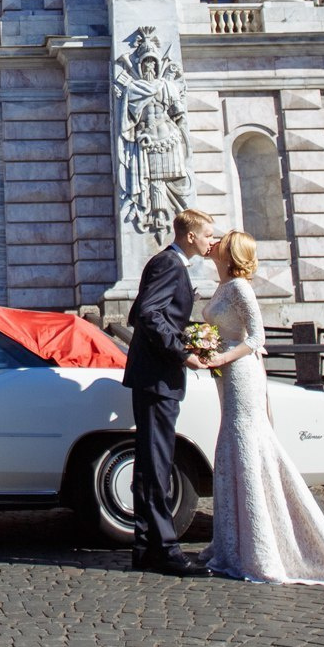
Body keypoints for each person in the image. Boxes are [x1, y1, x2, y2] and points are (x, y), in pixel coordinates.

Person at [192, 231, 324, 587]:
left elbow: (257, 338)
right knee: (234, 445)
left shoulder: (240, 288)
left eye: (221, 238)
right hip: (226, 374)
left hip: (242, 373)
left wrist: (222, 356)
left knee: (247, 443)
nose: (213, 240)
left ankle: (260, 548)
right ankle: (234, 545)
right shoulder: (222, 286)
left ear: (230, 252)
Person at [121, 208, 218, 576]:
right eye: (208, 234)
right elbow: (146, 313)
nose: (212, 240)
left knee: (151, 463)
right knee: (157, 463)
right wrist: (182, 352)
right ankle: (164, 550)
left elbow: (141, 313)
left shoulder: (168, 264)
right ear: (190, 236)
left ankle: (147, 547)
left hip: (153, 376)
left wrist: (185, 335)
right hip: (158, 377)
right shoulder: (170, 265)